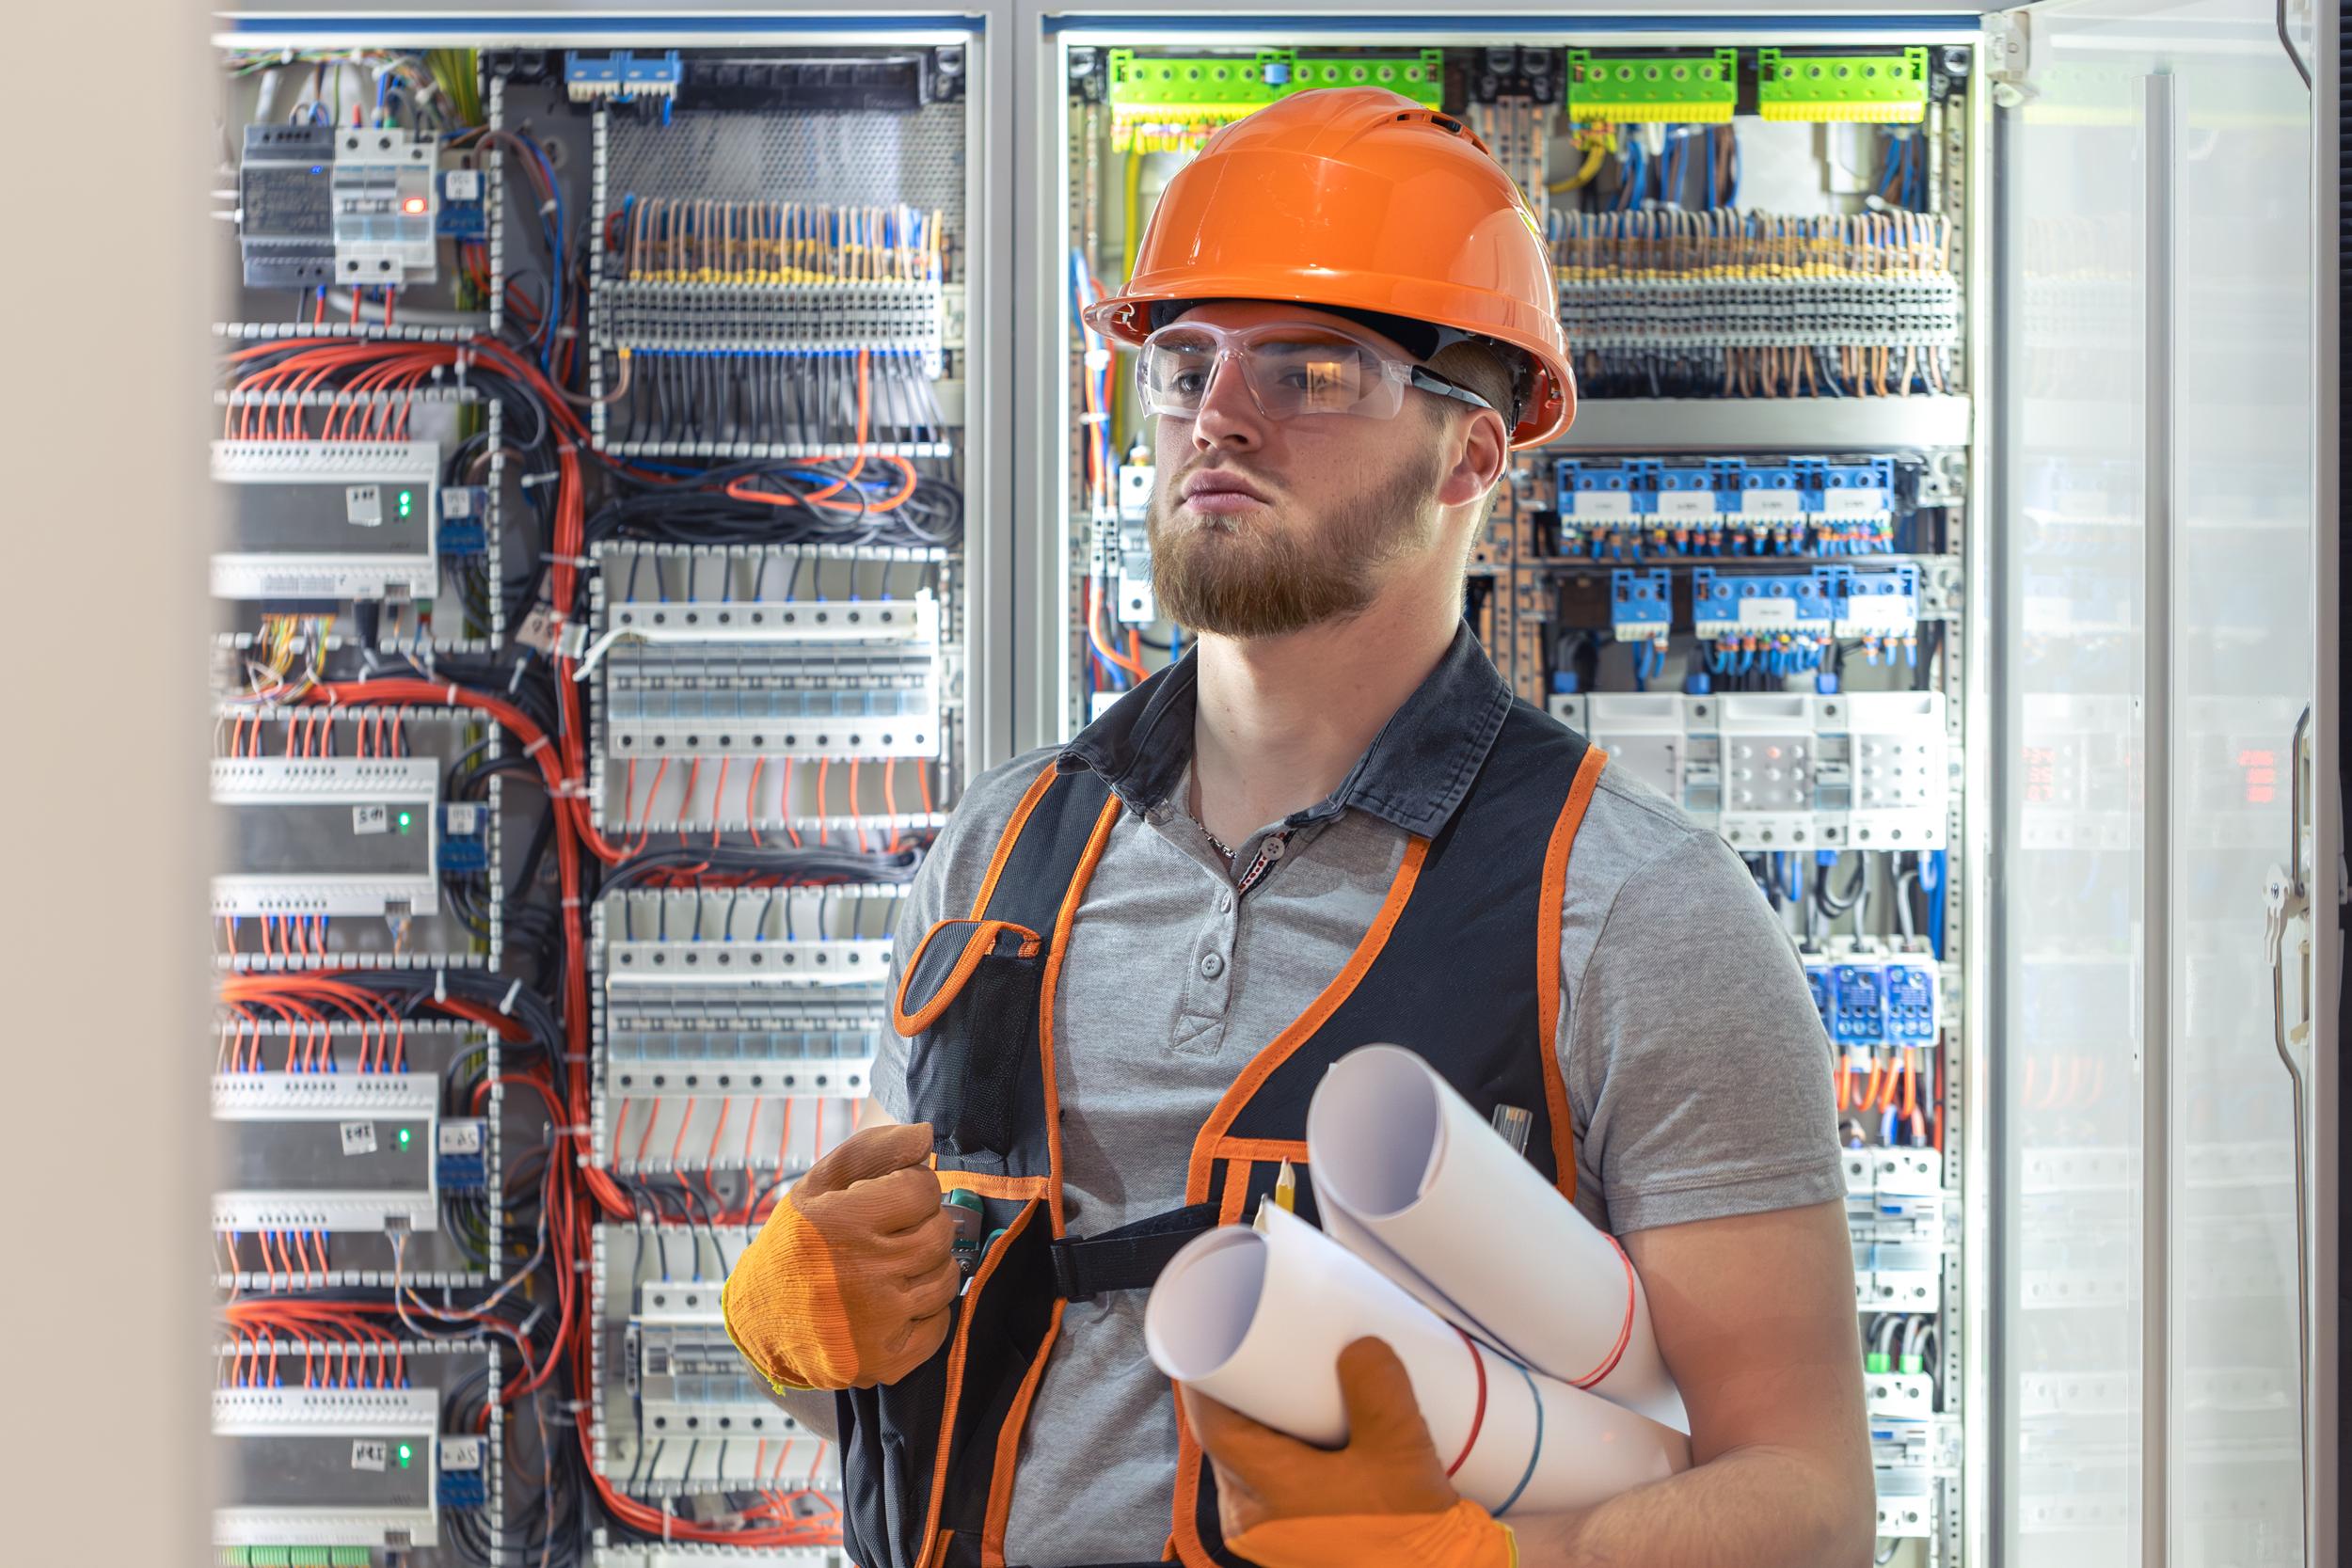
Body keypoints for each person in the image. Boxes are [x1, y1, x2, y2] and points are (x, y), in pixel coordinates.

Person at [722, 87, 1873, 1568]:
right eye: (1187, 360)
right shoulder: (1000, 851)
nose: (1220, 414)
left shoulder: (1628, 913)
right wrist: (792, 1346)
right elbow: (943, 1392)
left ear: (1475, 451)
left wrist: (1509, 1567)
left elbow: (1810, 1498)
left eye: (1313, 370)